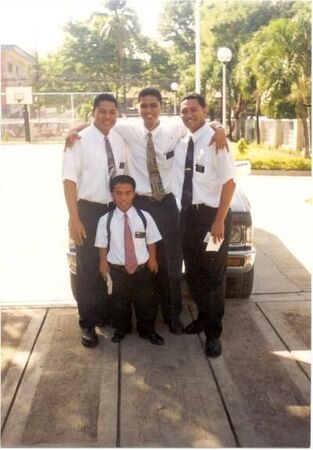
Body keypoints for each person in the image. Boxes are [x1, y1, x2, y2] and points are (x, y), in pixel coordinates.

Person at [65, 87, 227, 335]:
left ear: (161, 107)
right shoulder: (125, 129)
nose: (148, 111)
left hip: (168, 205)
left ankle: (173, 316)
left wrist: (219, 127)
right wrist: (73, 129)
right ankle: (129, 318)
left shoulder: (176, 127)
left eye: (153, 105)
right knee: (138, 261)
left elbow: (200, 120)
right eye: (144, 106)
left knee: (171, 263)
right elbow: (99, 123)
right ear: (137, 108)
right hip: (139, 203)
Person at [173, 92, 236, 357]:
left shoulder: (216, 141)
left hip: (212, 218)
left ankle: (213, 334)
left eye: (193, 110)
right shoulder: (180, 139)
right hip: (187, 217)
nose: (188, 115)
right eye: (184, 111)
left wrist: (219, 221)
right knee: (195, 273)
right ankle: (201, 318)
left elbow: (229, 183)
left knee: (212, 276)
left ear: (205, 111)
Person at [62, 93, 127, 347]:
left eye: (112, 112)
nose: (107, 116)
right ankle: (87, 324)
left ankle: (103, 316)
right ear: (93, 112)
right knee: (88, 269)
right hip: (88, 211)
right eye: (102, 111)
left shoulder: (120, 140)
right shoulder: (78, 141)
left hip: (114, 211)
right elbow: (69, 181)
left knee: (109, 265)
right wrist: (74, 219)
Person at [95, 175, 164, 345]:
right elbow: (102, 243)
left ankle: (147, 330)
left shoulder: (144, 217)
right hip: (118, 270)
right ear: (112, 195)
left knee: (146, 302)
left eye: (128, 193)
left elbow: (152, 240)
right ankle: (121, 329)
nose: (123, 198)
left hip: (142, 270)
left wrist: (153, 259)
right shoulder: (106, 220)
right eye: (118, 193)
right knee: (119, 303)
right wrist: (103, 262)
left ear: (134, 194)